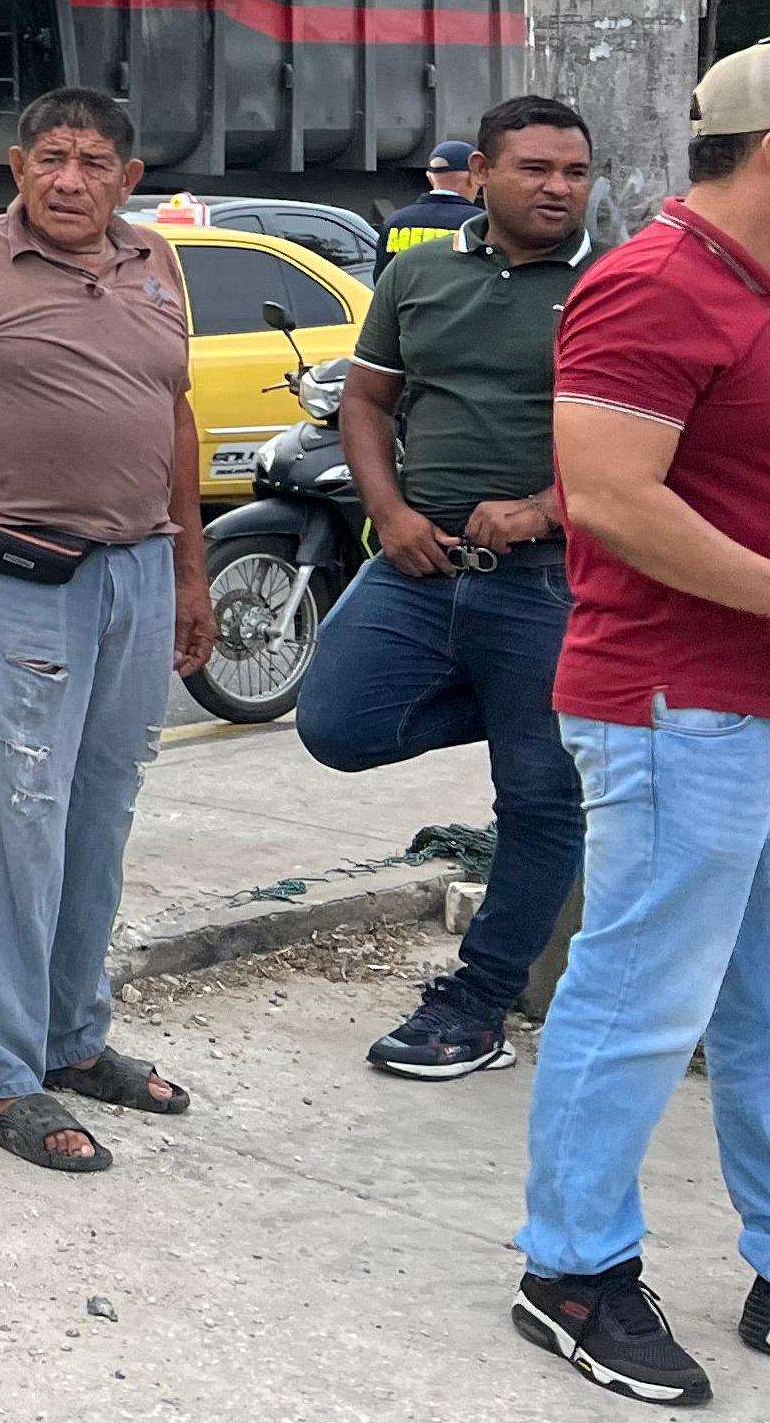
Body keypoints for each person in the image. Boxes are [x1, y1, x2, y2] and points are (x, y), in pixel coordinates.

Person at [511, 40, 770, 1402]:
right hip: (684, 709)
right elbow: (611, 498)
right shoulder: (655, 285)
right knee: (636, 997)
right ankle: (570, 1270)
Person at [0, 85, 216, 1172]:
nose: (71, 180)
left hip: (140, 570)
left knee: (100, 815)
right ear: (16, 167)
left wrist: (192, 569)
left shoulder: (157, 264)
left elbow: (174, 416)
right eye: (51, 158)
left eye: (95, 162)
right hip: (16, 573)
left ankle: (72, 1038)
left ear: (129, 178)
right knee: (14, 820)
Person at [295, 96, 594, 1081]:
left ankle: (478, 1003)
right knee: (338, 723)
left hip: (551, 577)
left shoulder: (612, 283)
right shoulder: (418, 272)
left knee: (540, 798)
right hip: (419, 566)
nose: (557, 188)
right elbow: (368, 401)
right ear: (482, 178)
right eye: (535, 169)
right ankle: (530, 712)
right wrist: (391, 510)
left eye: (574, 172)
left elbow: (656, 436)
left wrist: (550, 508)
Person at [383, 139, 481, 253]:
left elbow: (383, 269)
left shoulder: (395, 221)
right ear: (473, 177)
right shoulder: (480, 224)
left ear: (430, 178)